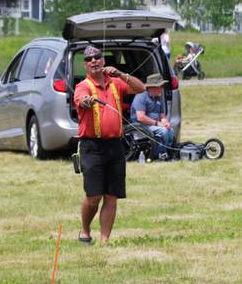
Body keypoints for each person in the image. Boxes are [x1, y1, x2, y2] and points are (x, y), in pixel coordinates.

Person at [74, 45, 145, 244]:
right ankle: (85, 230)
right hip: (92, 147)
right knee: (94, 196)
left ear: (104, 61)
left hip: (115, 145)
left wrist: (121, 74)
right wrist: (88, 100)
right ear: (85, 65)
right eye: (89, 59)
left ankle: (105, 241)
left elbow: (141, 88)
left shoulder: (115, 83)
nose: (94, 61)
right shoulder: (83, 86)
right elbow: (81, 100)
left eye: (97, 57)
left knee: (111, 196)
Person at [130, 73, 175, 160]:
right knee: (164, 131)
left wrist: (165, 121)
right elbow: (140, 117)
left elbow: (162, 115)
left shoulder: (158, 97)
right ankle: (161, 154)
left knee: (170, 130)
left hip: (154, 124)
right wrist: (157, 123)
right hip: (141, 125)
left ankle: (167, 152)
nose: (162, 88)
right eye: (160, 86)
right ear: (152, 87)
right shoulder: (141, 96)